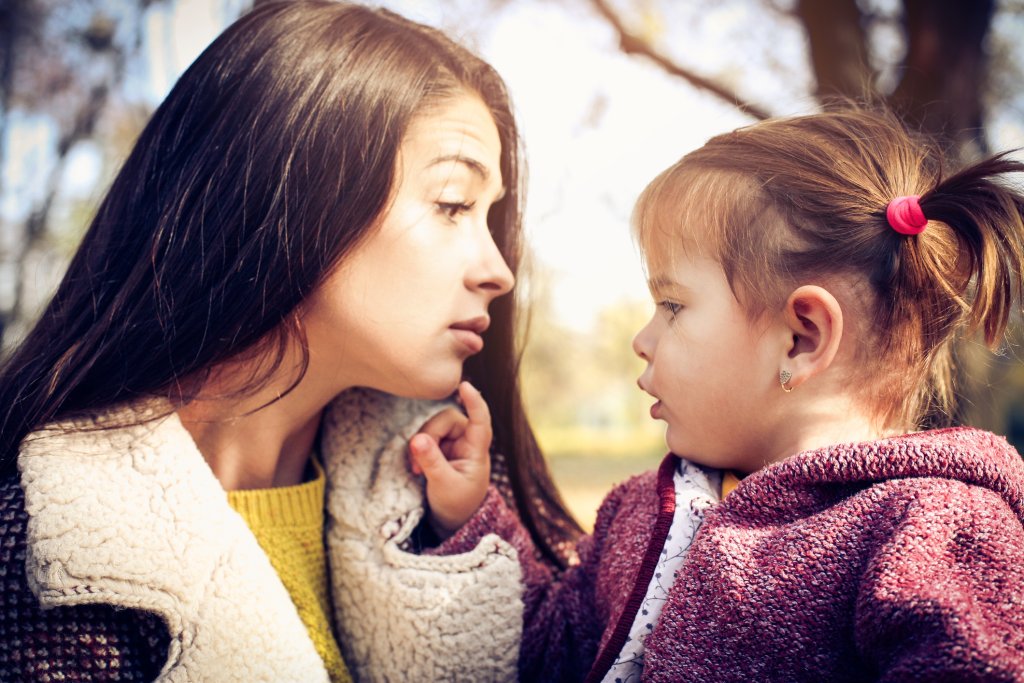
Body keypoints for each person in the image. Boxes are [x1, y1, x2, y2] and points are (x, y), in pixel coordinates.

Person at [0, 2, 582, 681]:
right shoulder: (45, 559)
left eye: (489, 216)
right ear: (298, 195)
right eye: (453, 204)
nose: (498, 270)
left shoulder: (461, 502)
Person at [413, 107, 1024, 681]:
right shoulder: (640, 514)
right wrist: (471, 516)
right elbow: (551, 652)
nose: (642, 340)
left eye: (672, 304)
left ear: (800, 338)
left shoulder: (935, 528)